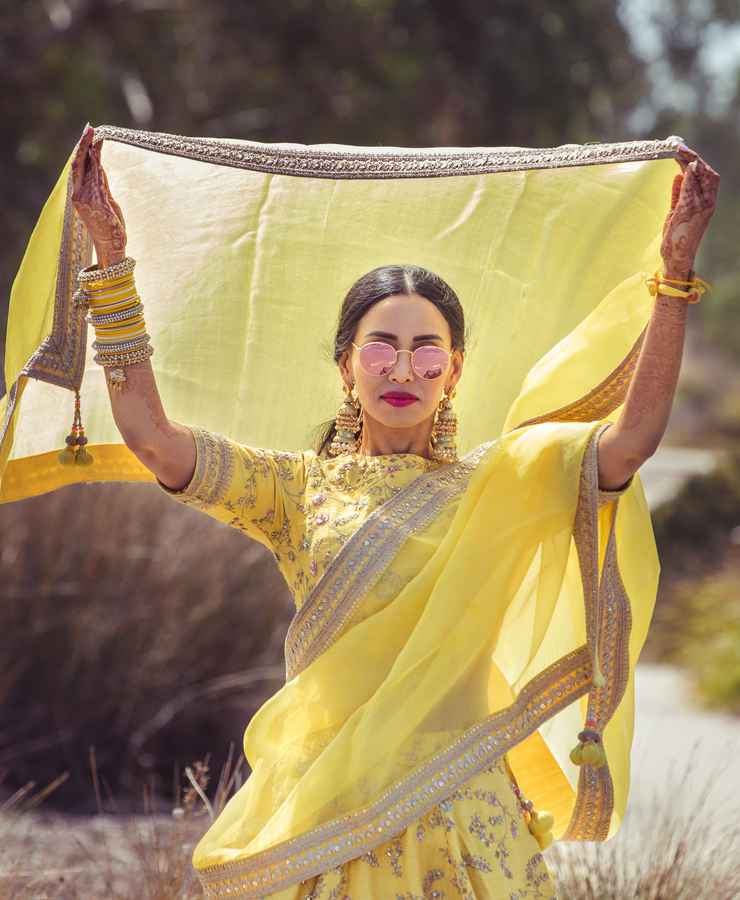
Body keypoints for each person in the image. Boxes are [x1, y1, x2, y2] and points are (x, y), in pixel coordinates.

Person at [70, 124, 718, 899]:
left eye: (427, 350)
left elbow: (632, 440)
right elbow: (151, 438)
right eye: (381, 347)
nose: (403, 369)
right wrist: (110, 264)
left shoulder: (500, 482)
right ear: (347, 365)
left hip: (463, 812)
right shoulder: (293, 489)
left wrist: (674, 279)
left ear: (456, 370)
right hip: (327, 811)